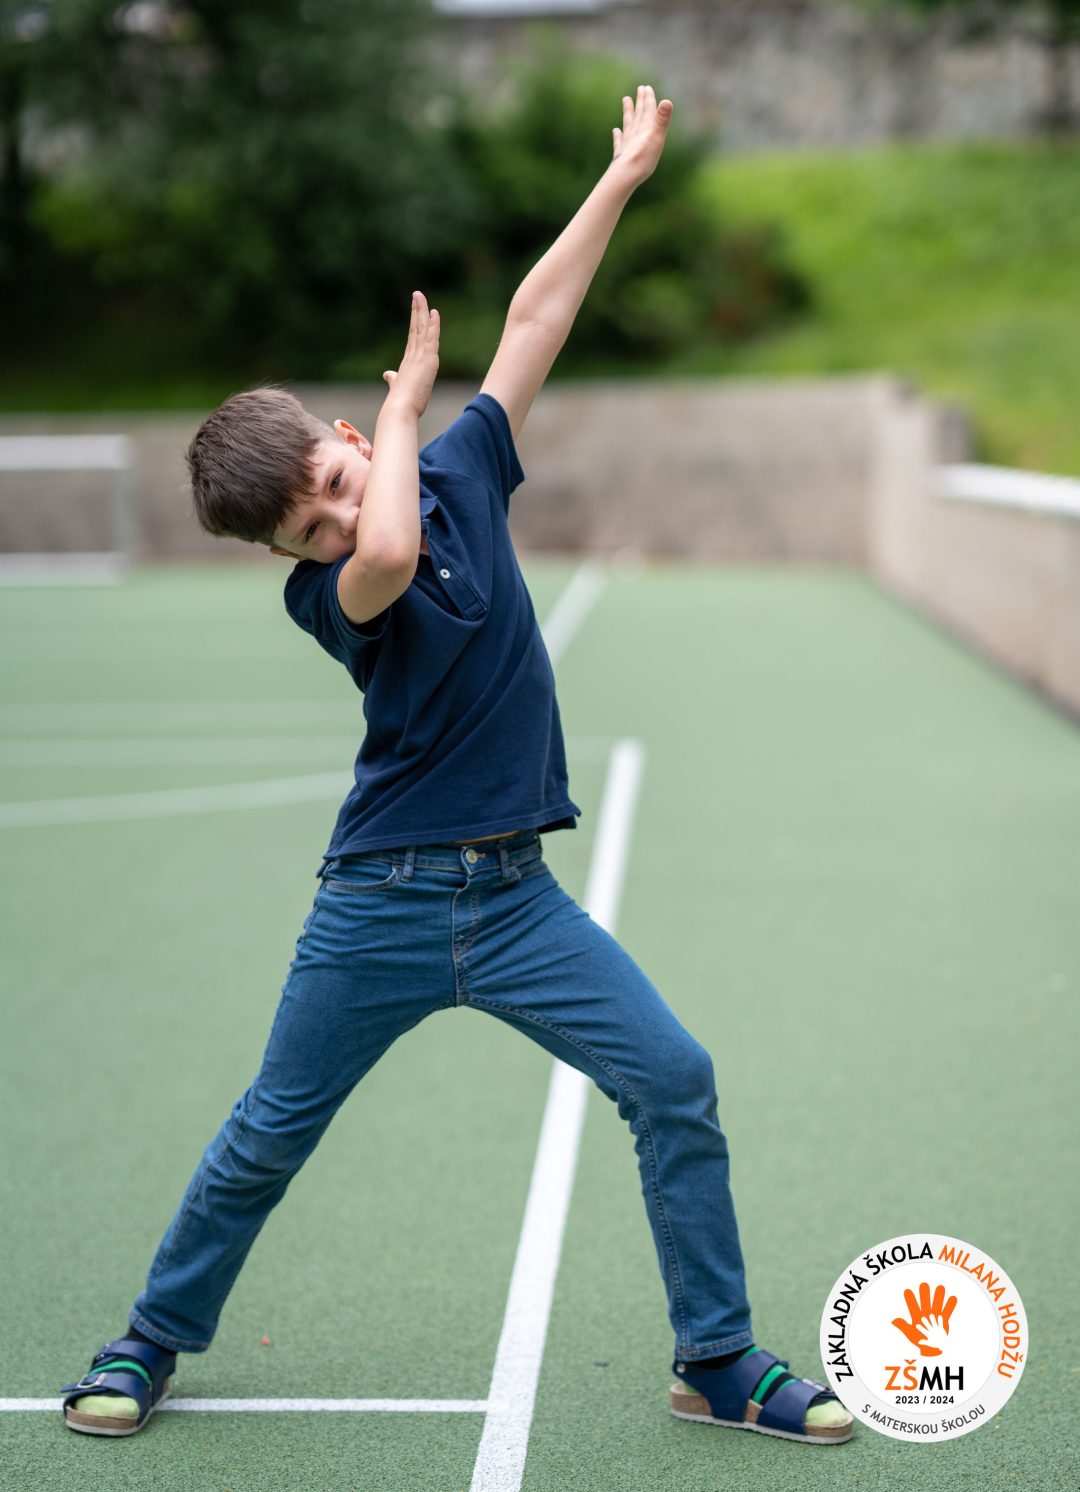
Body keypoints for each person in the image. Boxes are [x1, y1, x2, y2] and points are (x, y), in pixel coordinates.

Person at [60, 85, 853, 1448]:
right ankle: (147, 1342)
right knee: (270, 1131)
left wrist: (619, 182)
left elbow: (535, 320)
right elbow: (383, 551)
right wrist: (409, 410)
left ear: (345, 439)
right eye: (304, 531)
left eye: (330, 484)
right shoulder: (336, 591)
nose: (331, 525)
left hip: (516, 902)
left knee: (673, 1077)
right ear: (289, 560)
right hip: (379, 907)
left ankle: (715, 1359)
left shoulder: (469, 467)